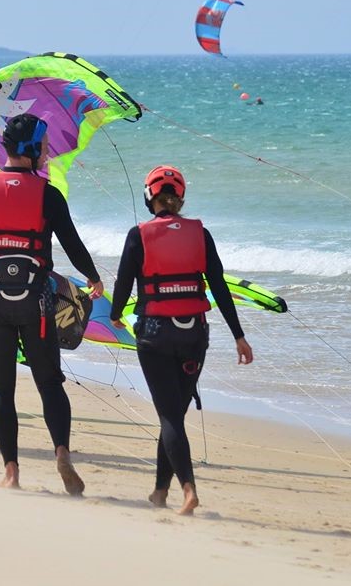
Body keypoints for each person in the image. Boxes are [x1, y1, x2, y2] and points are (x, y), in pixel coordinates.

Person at [0, 113, 104, 493]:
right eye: (43, 145)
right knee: (50, 383)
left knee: (1, 389)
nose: (46, 152)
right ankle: (61, 453)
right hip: (36, 304)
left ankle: (11, 472)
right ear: (30, 149)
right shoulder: (48, 195)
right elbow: (72, 243)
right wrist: (93, 278)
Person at [109, 165, 254, 515]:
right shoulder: (200, 234)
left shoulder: (137, 235)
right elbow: (219, 287)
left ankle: (188, 490)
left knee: (169, 418)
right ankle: (160, 491)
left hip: (156, 334)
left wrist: (114, 316)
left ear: (149, 197)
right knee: (173, 414)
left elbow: (123, 284)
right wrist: (239, 336)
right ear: (181, 198)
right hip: (194, 334)